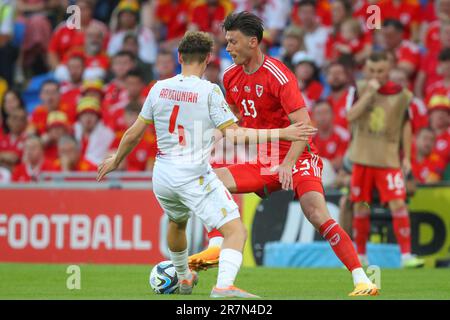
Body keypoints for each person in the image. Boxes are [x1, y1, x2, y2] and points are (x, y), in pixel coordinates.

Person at [97, 30, 314, 298]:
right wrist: (283, 133)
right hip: (192, 174)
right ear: (208, 59)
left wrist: (116, 160)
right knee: (235, 231)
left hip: (162, 175)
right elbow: (236, 134)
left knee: (177, 223)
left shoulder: (158, 88)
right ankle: (223, 287)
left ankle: (184, 276)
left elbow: (134, 132)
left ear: (179, 57)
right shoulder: (209, 91)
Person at [188, 12, 378, 297]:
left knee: (316, 212)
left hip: (297, 156)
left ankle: (362, 279)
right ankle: (216, 244)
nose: (227, 48)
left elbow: (305, 127)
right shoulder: (230, 76)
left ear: (253, 42)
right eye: (226, 41)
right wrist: (215, 134)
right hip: (263, 160)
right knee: (208, 180)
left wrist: (288, 163)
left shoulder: (279, 75)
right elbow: (237, 114)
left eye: (233, 41)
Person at [347, 51, 425, 269]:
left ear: (389, 69)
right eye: (372, 70)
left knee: (398, 203)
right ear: (365, 70)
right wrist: (369, 95)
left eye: (380, 71)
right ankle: (360, 256)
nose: (376, 75)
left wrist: (407, 157)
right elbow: (349, 116)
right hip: (362, 157)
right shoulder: (359, 89)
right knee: (361, 207)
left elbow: (406, 125)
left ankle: (406, 256)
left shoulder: (402, 95)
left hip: (389, 159)